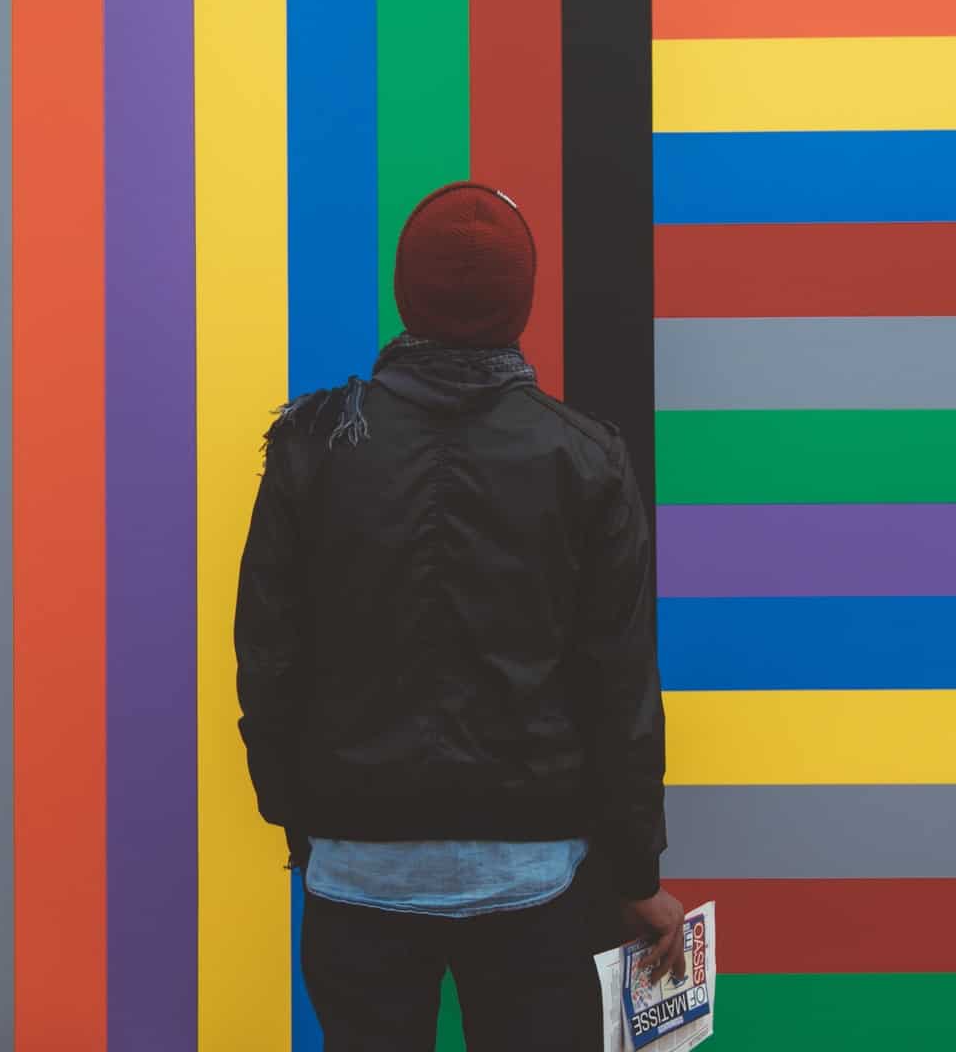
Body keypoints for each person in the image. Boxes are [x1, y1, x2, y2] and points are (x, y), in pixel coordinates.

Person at [235, 182, 682, 1051]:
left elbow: (268, 659)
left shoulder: (313, 447)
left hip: (354, 869)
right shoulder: (585, 457)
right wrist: (637, 874)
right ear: (521, 301)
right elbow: (619, 683)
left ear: (407, 294)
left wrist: (301, 819)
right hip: (536, 884)